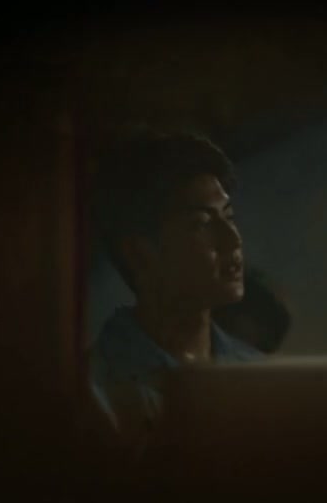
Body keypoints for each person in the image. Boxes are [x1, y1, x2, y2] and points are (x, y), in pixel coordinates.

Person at [87, 129, 263, 446]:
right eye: (202, 224)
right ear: (140, 254)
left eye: (229, 217)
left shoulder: (256, 375)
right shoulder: (93, 390)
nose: (233, 240)